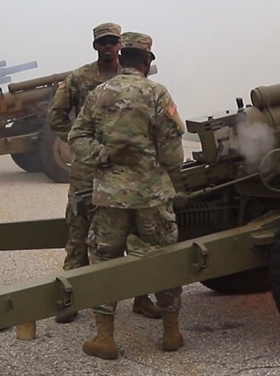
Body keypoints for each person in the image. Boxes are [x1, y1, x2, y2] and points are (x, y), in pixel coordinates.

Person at [69, 32, 186, 359]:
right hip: (151, 196)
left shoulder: (98, 94)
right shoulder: (157, 93)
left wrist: (105, 155)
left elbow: (77, 139)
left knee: (105, 263)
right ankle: (171, 333)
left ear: (122, 58)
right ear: (147, 61)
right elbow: (173, 152)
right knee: (164, 260)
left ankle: (104, 338)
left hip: (110, 198)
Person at [48, 22, 162, 322]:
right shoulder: (80, 78)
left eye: (113, 42)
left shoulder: (137, 79)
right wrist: (82, 143)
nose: (108, 47)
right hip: (89, 170)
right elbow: (56, 115)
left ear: (121, 47)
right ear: (95, 46)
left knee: (136, 235)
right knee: (78, 234)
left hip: (129, 172)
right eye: (103, 43)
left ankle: (142, 297)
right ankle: (70, 298)